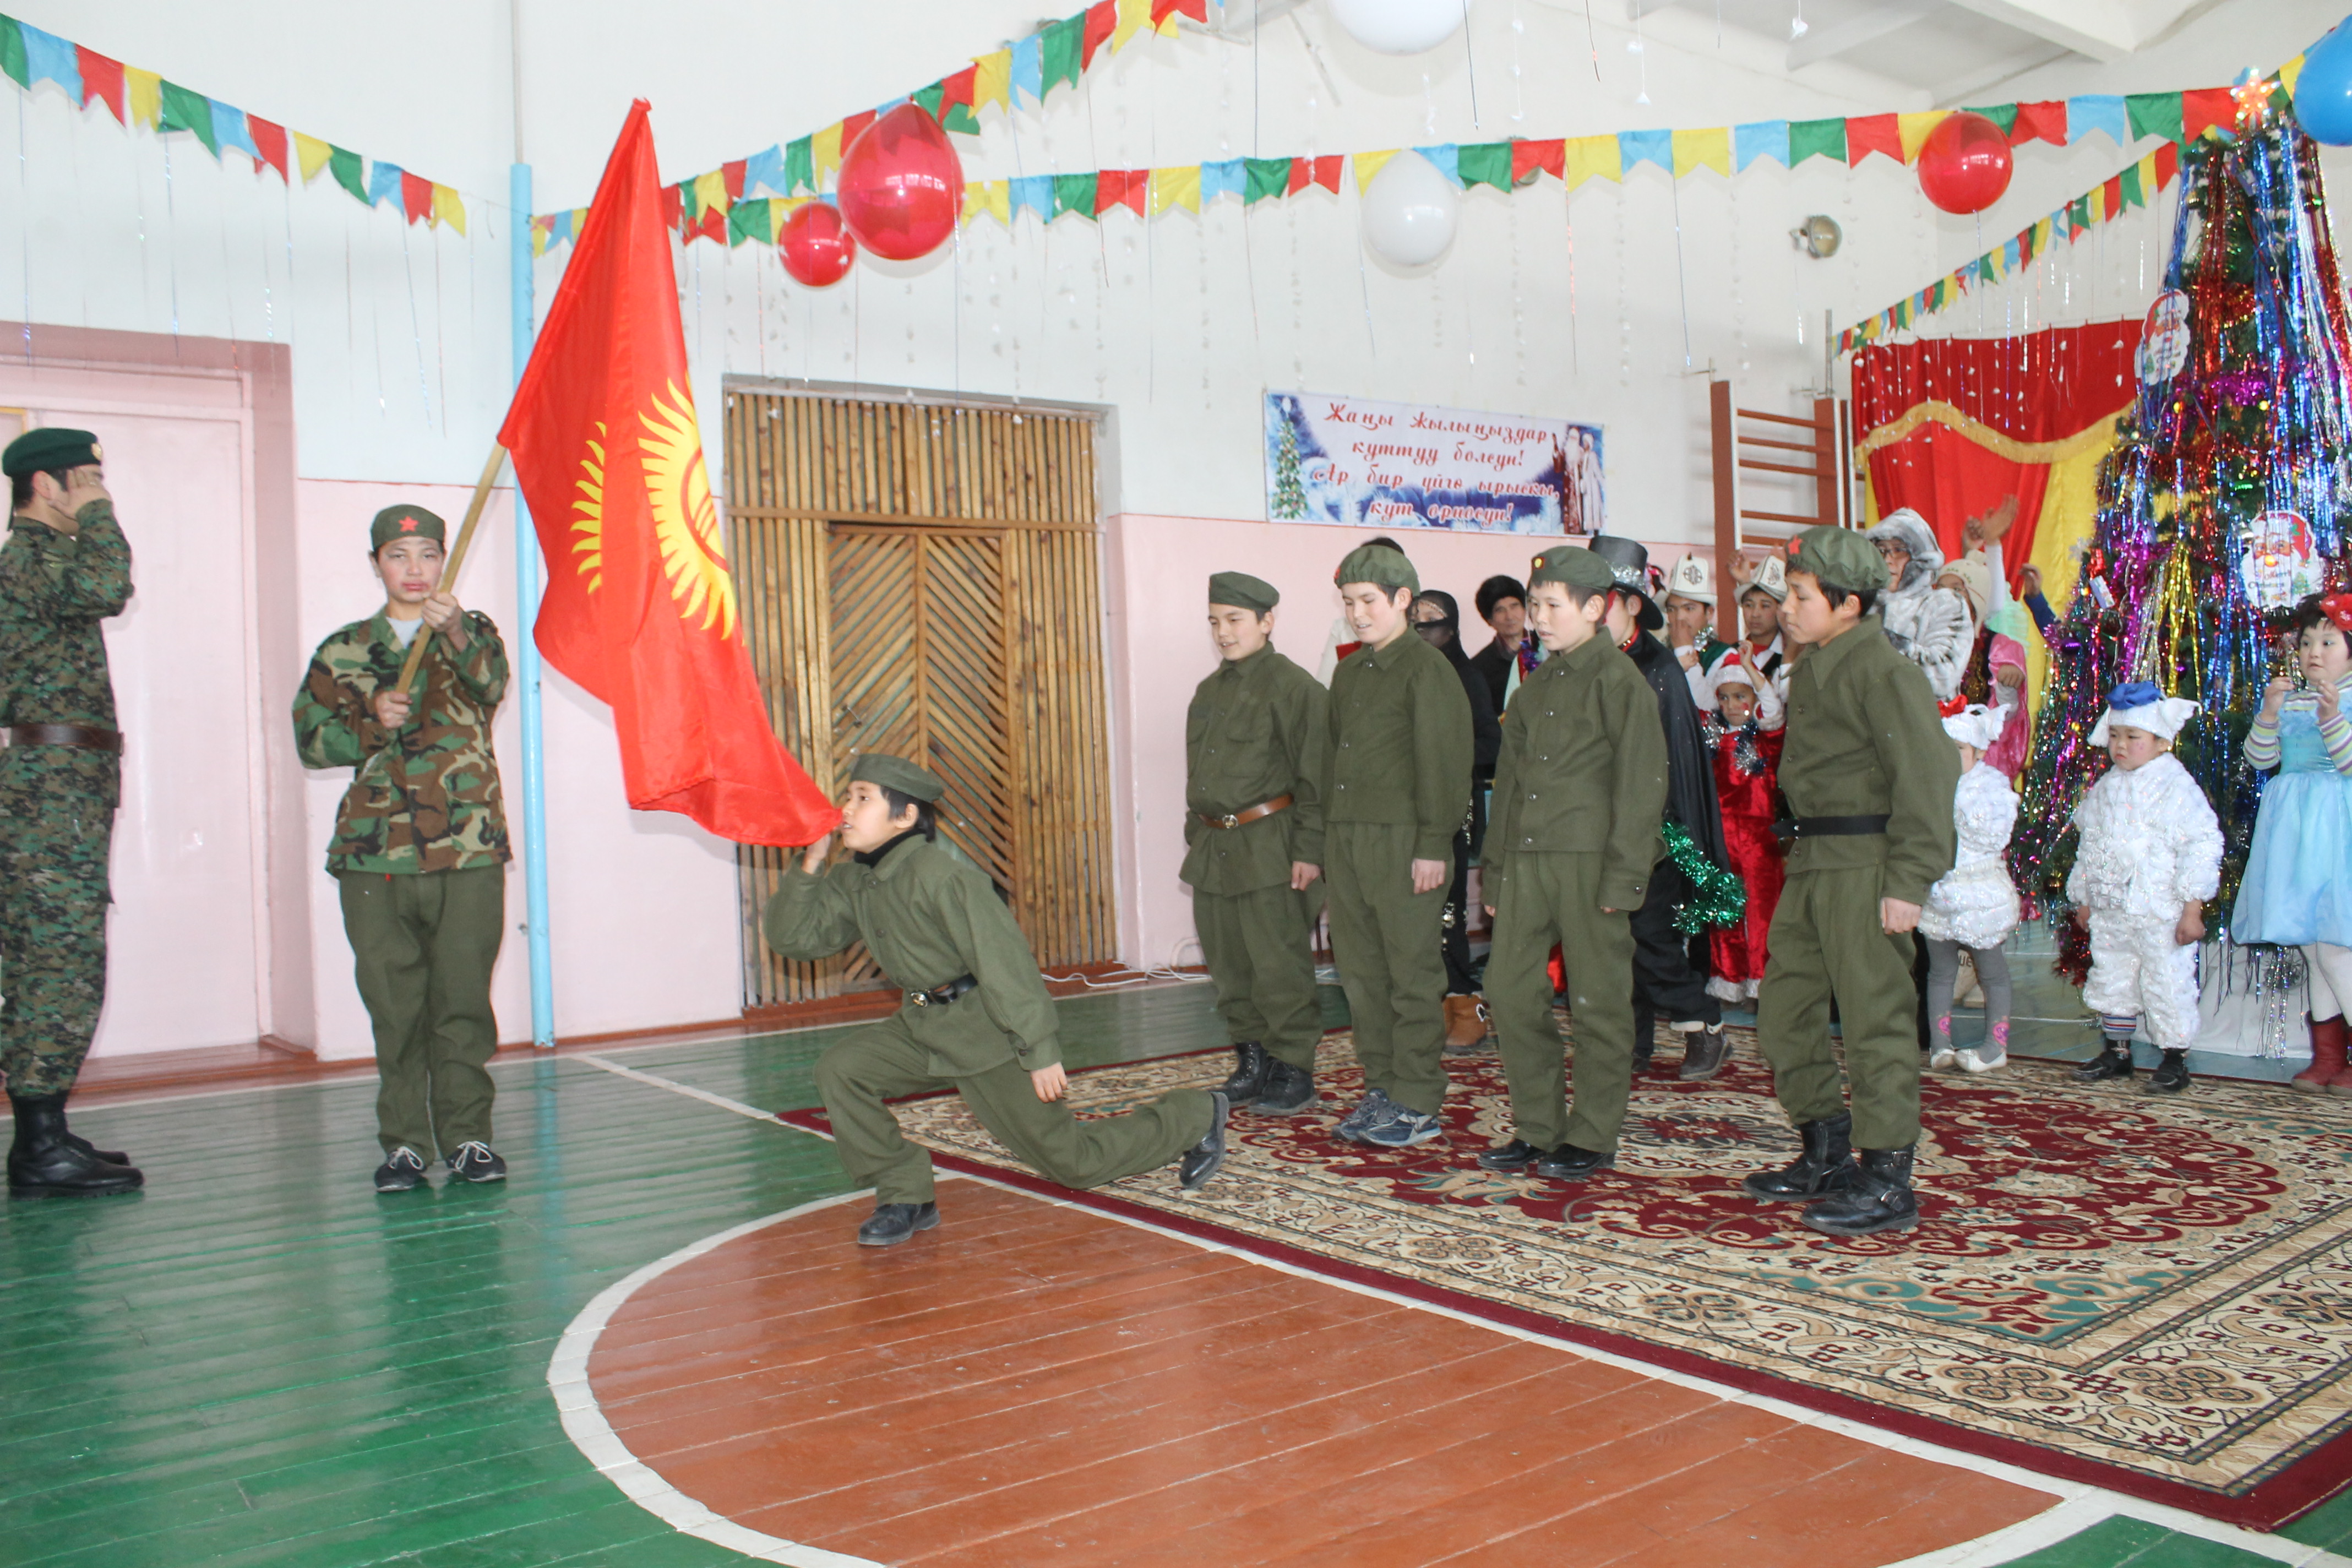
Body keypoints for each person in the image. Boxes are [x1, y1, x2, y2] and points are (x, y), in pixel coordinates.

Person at [768, 755, 1227, 1245]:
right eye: (848, 796)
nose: (845, 810)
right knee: (842, 1070)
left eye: (863, 798)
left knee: (1075, 1163)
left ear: (905, 816)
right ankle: (906, 1195)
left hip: (987, 1030)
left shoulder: (944, 878)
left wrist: (1039, 1050)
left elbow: (1004, 965)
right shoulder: (857, 879)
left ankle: (1194, 1115)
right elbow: (796, 939)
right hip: (922, 1026)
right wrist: (810, 864)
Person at [1740, 526, 1958, 1238]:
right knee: (1785, 1013)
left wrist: (1909, 880)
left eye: (1801, 596)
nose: (1787, 608)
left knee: (1874, 1020)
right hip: (1811, 862)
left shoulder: (1883, 671)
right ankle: (1826, 1150)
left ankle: (1888, 1176)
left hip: (1866, 866)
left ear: (1849, 603)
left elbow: (1927, 777)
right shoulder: (1817, 666)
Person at [293, 505, 513, 1193]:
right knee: (395, 1008)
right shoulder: (344, 650)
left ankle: (469, 1138)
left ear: (443, 560)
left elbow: (493, 684)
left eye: (427, 555)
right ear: (376, 564)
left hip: (468, 849)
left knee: (463, 1004)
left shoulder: (471, 635)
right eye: (398, 555)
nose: (414, 570)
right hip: (375, 854)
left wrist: (455, 631)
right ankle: (405, 1146)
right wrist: (369, 721)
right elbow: (311, 743)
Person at [1476, 546, 1666, 1184]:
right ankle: (1538, 1126)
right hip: (1527, 864)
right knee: (1509, 991)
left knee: (1597, 1003)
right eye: (1534, 605)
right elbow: (1509, 787)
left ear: (1595, 609)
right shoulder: (1536, 687)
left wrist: (1625, 876)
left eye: (1551, 605)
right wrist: (1495, 872)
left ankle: (1591, 1133)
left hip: (1591, 865)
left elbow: (1642, 787)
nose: (1538, 617)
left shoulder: (1620, 682)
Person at [0, 428, 140, 1197]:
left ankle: (44, 1132)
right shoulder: (33, 559)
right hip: (48, 793)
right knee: (59, 959)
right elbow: (111, 584)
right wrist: (100, 512)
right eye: (83, 478)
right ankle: (39, 1148)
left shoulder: (42, 563)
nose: (96, 490)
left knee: (48, 956)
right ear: (46, 485)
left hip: (58, 786)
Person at [1323, 543, 1473, 1148]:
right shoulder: (1349, 672)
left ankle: (1416, 1098)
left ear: (1403, 600)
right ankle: (1381, 1087)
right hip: (1349, 840)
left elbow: (1445, 762)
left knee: (1411, 974)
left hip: (1407, 843)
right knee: (1362, 975)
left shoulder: (1427, 670)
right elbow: (1334, 757)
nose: (1357, 614)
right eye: (1348, 602)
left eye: (1368, 601)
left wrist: (1433, 843)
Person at [1586, 536, 1735, 1080]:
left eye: (1600, 601)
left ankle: (1706, 1024)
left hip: (1656, 838)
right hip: (1601, 831)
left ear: (1630, 604)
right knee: (1613, 942)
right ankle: (1632, 1042)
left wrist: (1663, 838)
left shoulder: (1657, 669)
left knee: (1651, 939)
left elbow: (1672, 768)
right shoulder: (1586, 664)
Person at [1186, 572, 1329, 1118]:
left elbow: (1316, 777)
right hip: (1214, 847)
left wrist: (1309, 850)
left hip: (1271, 845)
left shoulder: (1296, 689)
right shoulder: (1209, 692)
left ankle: (1293, 1065)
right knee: (1229, 964)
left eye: (1235, 620)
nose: (1223, 632)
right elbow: (1199, 771)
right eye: (1215, 621)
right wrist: (1196, 832)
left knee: (1278, 964)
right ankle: (1253, 1059)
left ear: (1267, 622)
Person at [2067, 684, 2223, 1095]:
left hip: (2159, 910)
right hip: (2113, 910)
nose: (2120, 745)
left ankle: (2174, 1058)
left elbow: (2201, 845)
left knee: (2166, 980)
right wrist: (2085, 896)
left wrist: (2192, 907)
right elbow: (2090, 844)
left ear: (2161, 741)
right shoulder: (2106, 788)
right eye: (2115, 735)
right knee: (2113, 973)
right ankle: (2117, 1052)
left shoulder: (2177, 788)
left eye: (2132, 737)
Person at [2234, 593, 2352, 1092]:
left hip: (2337, 830)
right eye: (2306, 643)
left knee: (2337, 949)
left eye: (2328, 642)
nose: (2313, 652)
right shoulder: (2294, 698)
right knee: (2312, 946)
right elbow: (2261, 759)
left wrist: (2332, 717)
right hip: (2295, 832)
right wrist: (2268, 712)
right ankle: (2328, 1058)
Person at [1411, 589, 1502, 1052]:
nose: (1424, 630)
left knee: (1448, 912)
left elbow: (1491, 743)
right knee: (1413, 916)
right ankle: (1430, 1009)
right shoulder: (1406, 674)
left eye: (1434, 621)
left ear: (1453, 627)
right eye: (1416, 621)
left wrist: (1444, 754)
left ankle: (1468, 1007)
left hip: (1452, 807)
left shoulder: (1466, 676)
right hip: (1405, 809)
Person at [1921, 705, 2021, 1075]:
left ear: (1978, 751)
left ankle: (1996, 1046)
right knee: (1940, 971)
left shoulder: (1992, 786)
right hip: (1939, 892)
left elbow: (1993, 834)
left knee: (1992, 972)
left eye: (1959, 749)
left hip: (1979, 894)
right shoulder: (1929, 783)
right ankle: (1940, 1044)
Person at [1702, 655, 1784, 1010]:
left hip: (1758, 840)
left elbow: (1774, 711)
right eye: (1724, 697)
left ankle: (1762, 982)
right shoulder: (1712, 738)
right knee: (1725, 910)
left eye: (1741, 696)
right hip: (1721, 837)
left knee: (1761, 911)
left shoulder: (1764, 739)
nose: (1732, 705)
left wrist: (1754, 672)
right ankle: (1728, 980)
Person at [1865, 509, 1972, 701]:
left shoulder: (1944, 603)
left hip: (1925, 717)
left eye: (1899, 550)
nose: (1887, 560)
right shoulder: (1863, 605)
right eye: (1881, 550)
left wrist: (1882, 639)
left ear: (1920, 557)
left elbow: (1943, 675)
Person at [1663, 553, 1736, 708]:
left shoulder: (1726, 657)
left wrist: (1684, 649)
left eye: (1689, 609)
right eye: (1672, 609)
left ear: (1709, 613)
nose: (1679, 617)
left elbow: (1709, 708)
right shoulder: (1658, 653)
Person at [1471, 574, 1535, 714]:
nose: (1509, 616)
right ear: (1489, 620)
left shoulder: (1548, 648)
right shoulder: (1479, 668)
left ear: (1525, 609)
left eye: (1514, 606)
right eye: (1500, 610)